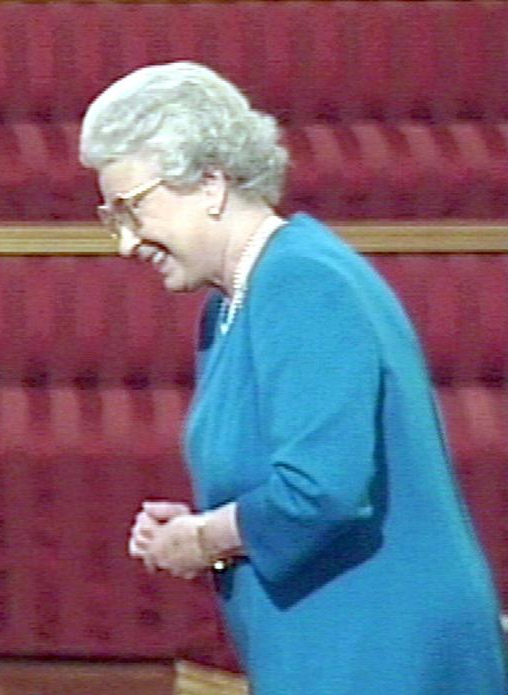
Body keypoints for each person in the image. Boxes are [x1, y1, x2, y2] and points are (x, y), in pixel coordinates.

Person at [79, 61, 507, 693]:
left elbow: (321, 491)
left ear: (210, 183)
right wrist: (204, 527)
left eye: (133, 209)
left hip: (384, 655)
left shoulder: (302, 283)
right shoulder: (231, 304)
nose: (126, 243)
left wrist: (203, 539)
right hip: (325, 647)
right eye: (110, 217)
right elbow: (280, 476)